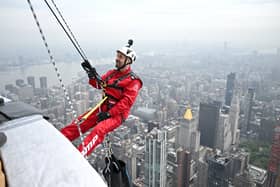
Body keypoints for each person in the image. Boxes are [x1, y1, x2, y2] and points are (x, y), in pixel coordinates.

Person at [61, 40, 142, 156]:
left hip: (117, 114)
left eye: (120, 57)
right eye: (117, 56)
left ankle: (79, 155)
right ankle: (60, 138)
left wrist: (109, 114)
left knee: (99, 130)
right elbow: (99, 84)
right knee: (81, 122)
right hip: (103, 107)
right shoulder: (112, 73)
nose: (117, 59)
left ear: (128, 61)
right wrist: (91, 74)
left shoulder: (134, 81)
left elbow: (126, 103)